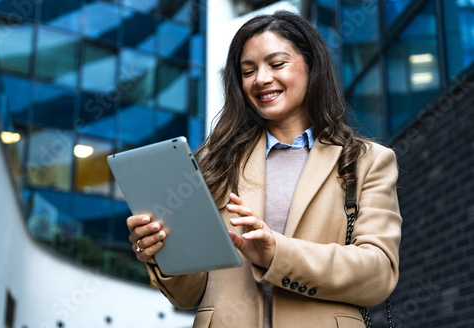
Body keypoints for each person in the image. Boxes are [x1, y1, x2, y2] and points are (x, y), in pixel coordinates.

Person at [127, 10, 401, 328]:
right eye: (248, 70)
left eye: (277, 64)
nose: (261, 79)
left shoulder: (367, 161)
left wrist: (277, 254)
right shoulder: (213, 163)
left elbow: (378, 274)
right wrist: (162, 250)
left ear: (311, 65)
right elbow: (189, 295)